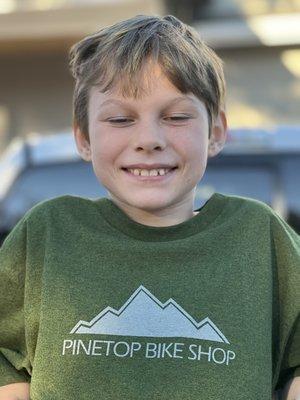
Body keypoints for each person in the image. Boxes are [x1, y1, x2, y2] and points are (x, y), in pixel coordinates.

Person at [0, 14, 299, 400]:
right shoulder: (49, 233)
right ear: (83, 136)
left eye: (176, 117)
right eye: (121, 118)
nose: (149, 139)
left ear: (217, 132)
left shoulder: (260, 237)